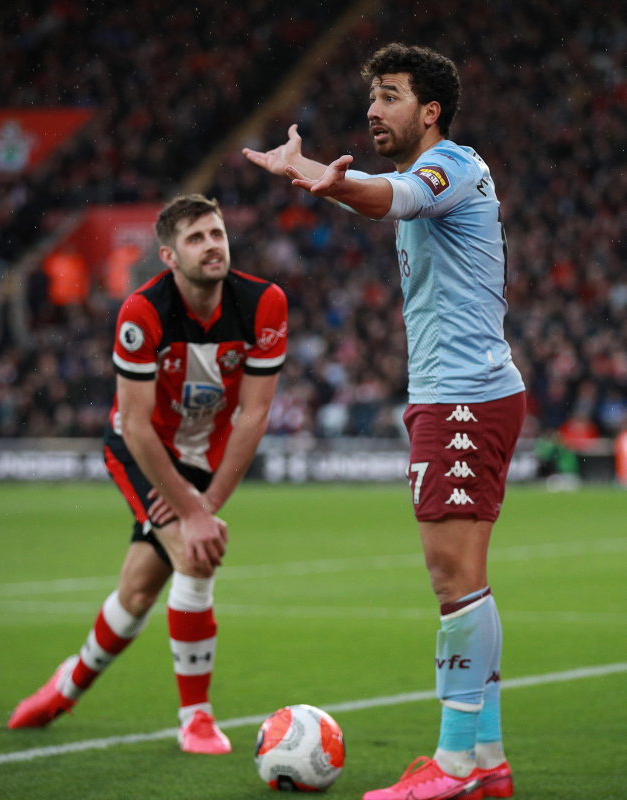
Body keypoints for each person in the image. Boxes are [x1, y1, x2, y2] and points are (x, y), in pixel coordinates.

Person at [244, 43, 525, 800]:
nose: (373, 108)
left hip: (464, 398)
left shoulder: (452, 167)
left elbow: (387, 198)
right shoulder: (423, 175)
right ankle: (487, 760)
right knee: (465, 578)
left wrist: (328, 183)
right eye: (372, 96)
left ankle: (457, 764)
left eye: (391, 95)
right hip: (452, 395)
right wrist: (308, 173)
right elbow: (378, 192)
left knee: (453, 578)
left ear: (429, 111)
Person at [8, 194, 288, 754]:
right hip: (143, 453)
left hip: (204, 458)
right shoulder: (142, 312)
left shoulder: (264, 303)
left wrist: (202, 505)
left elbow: (254, 416)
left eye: (217, 233)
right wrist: (188, 511)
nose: (212, 245)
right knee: (195, 552)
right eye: (195, 238)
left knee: (137, 592)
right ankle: (197, 720)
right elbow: (134, 427)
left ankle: (66, 686)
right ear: (168, 255)